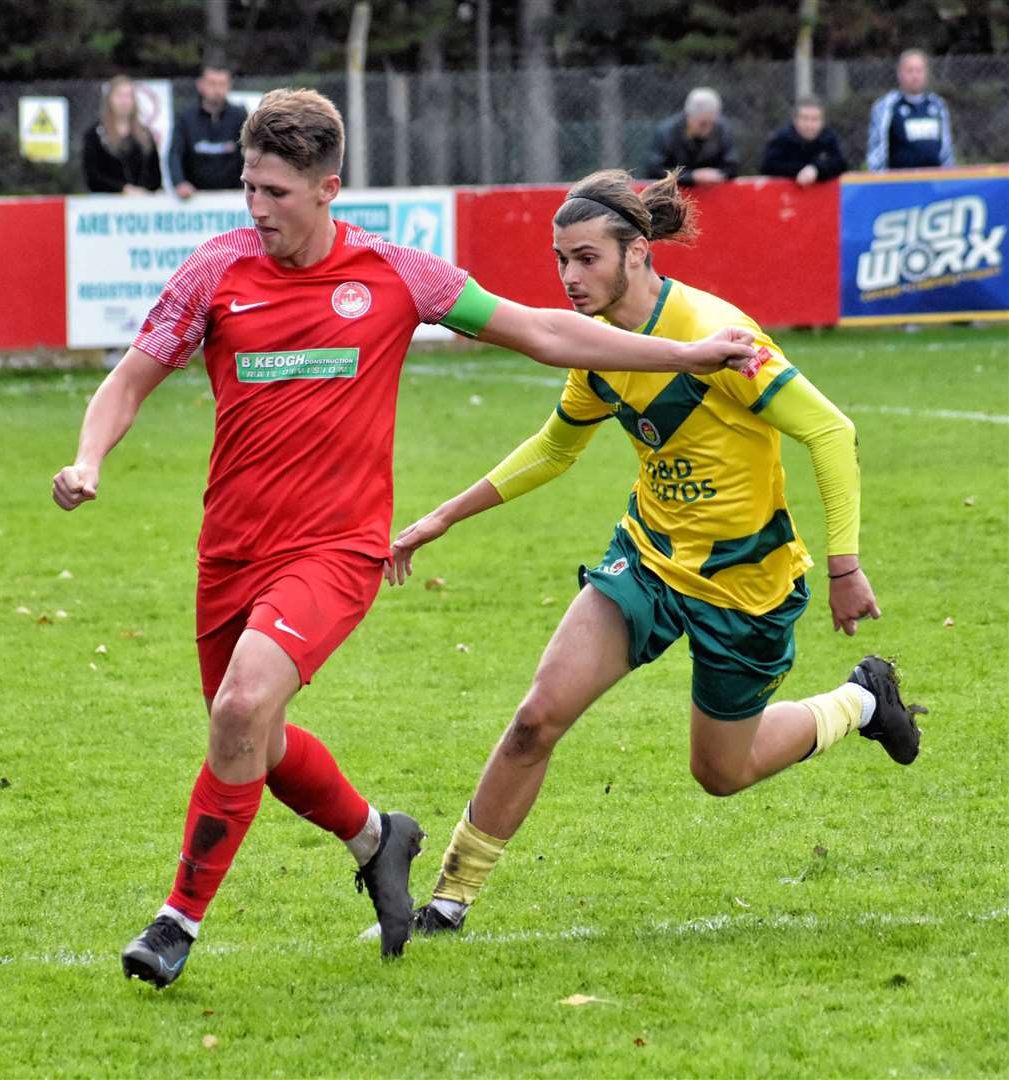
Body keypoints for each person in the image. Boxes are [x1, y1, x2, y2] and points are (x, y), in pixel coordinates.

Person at [51, 92, 758, 990]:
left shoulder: (396, 272)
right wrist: (88, 459)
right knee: (253, 747)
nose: (255, 206)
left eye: (273, 190)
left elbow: (541, 331)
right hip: (230, 551)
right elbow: (129, 382)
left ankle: (174, 923)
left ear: (327, 188)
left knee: (239, 712)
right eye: (248, 186)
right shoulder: (215, 271)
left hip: (336, 550)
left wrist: (685, 354)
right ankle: (379, 838)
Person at [386, 168, 927, 938]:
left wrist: (845, 568)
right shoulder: (598, 349)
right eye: (560, 260)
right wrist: (441, 517)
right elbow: (554, 448)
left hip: (745, 581)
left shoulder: (720, 335)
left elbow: (831, 431)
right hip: (646, 560)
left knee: (721, 773)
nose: (570, 278)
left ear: (637, 252)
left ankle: (862, 701)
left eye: (586, 259)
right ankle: (448, 901)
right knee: (538, 718)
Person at [867, 49, 955, 171]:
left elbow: (946, 148)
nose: (915, 75)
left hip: (933, 181)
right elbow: (877, 149)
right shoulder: (886, 106)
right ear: (900, 73)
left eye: (919, 71)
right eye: (910, 71)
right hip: (900, 183)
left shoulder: (938, 105)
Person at [168, 66, 248, 198]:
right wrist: (179, 183)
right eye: (212, 84)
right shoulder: (186, 117)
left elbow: (248, 154)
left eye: (222, 84)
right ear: (200, 85)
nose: (217, 89)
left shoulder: (239, 116)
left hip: (233, 196)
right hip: (194, 197)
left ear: (229, 86)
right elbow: (175, 153)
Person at [82, 75, 163, 195]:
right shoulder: (96, 134)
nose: (124, 101)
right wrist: (122, 189)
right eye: (119, 96)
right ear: (109, 99)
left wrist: (143, 192)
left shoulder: (145, 135)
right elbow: (92, 176)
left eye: (128, 96)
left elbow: (155, 176)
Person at [645, 87, 739, 187]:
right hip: (674, 195)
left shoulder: (722, 129)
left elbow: (732, 166)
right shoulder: (666, 132)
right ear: (689, 116)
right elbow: (654, 170)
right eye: (703, 123)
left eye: (712, 122)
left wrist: (717, 175)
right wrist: (691, 177)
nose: (708, 128)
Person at [760, 98, 848, 186]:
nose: (809, 125)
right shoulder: (781, 140)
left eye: (815, 119)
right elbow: (768, 167)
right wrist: (801, 171)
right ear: (795, 120)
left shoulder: (828, 138)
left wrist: (816, 170)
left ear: (822, 122)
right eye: (804, 118)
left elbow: (840, 164)